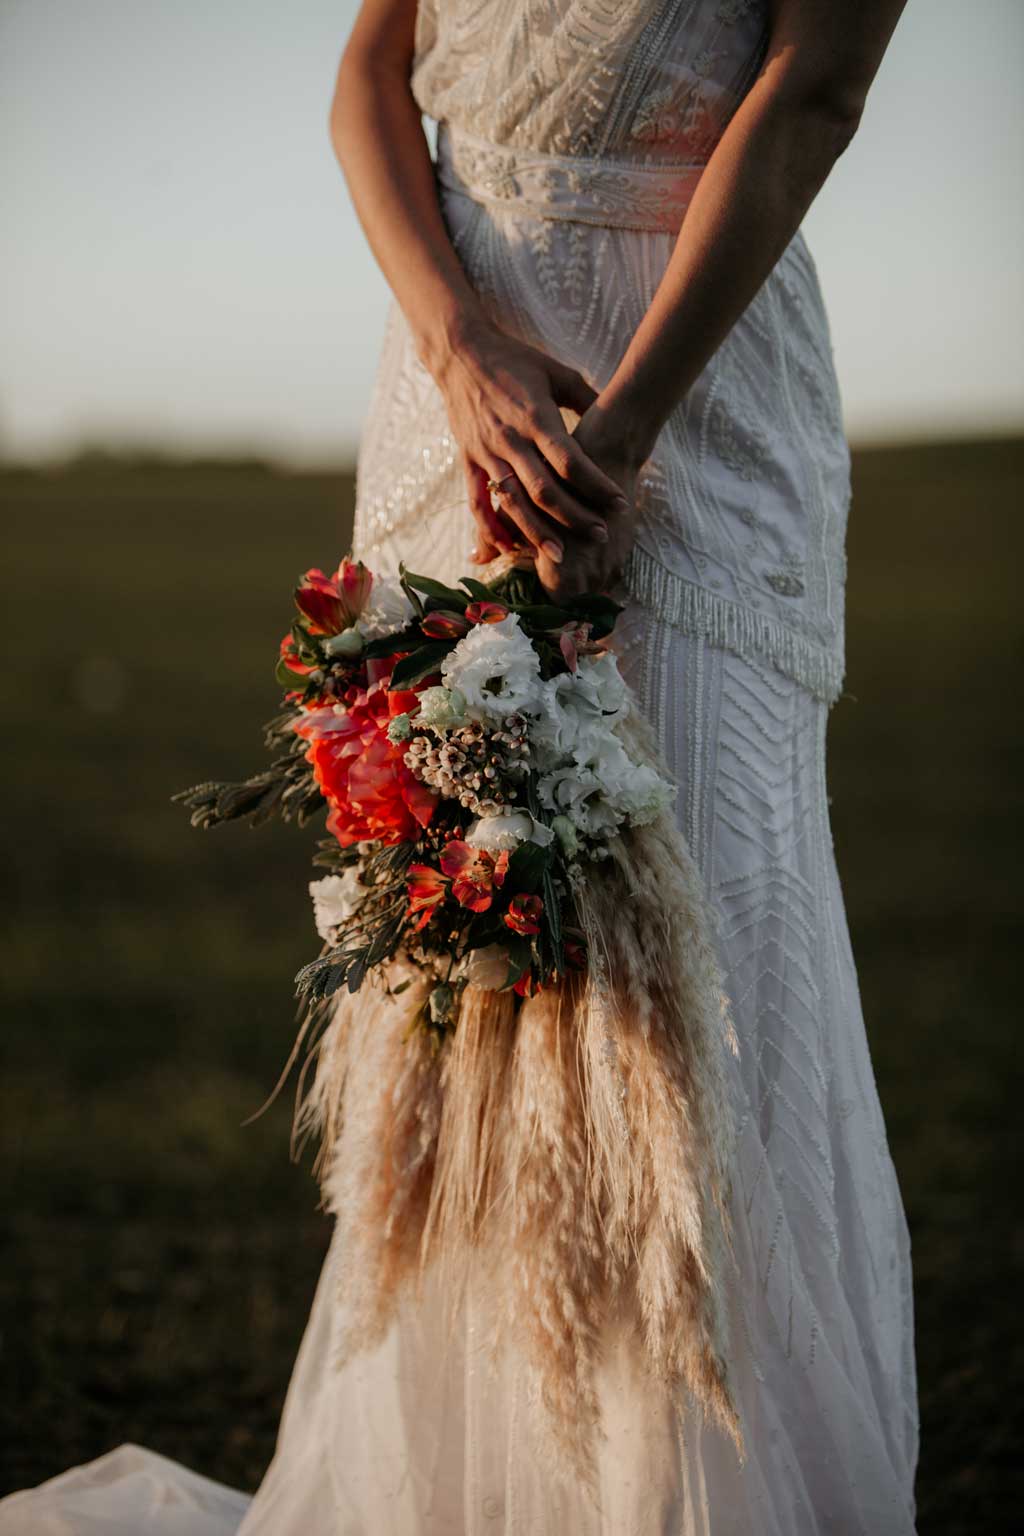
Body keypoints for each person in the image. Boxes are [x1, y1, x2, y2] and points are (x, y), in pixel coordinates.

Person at [0, 1, 918, 1531]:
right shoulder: (454, 352)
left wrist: (617, 436)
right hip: (452, 381)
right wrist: (460, 345)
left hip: (680, 388)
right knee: (465, 969)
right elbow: (372, 65)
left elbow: (813, 89)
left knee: (695, 980)